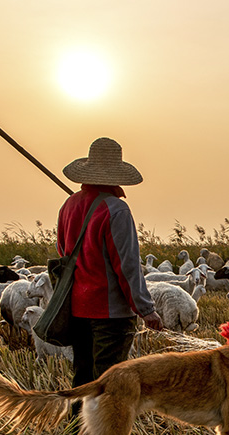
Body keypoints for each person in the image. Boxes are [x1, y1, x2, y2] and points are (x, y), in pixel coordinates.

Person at [57, 137, 164, 389]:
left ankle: (75, 429)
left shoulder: (69, 205)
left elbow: (63, 253)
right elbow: (127, 266)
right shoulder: (117, 210)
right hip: (110, 314)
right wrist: (146, 309)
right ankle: (100, 430)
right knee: (108, 385)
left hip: (77, 308)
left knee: (83, 380)